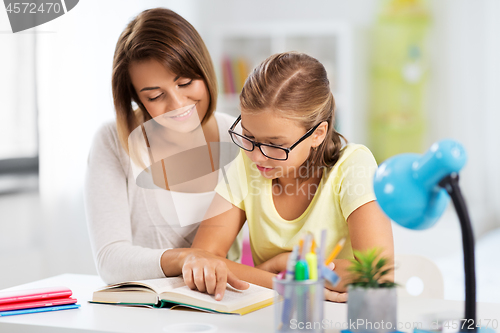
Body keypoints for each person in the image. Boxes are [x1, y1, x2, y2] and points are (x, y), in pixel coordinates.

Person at [176, 52, 395, 303]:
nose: (257, 157)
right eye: (249, 137)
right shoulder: (245, 163)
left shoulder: (353, 166)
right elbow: (203, 259)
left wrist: (270, 269)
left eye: (275, 145)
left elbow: (377, 275)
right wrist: (280, 274)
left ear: (317, 134)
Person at [84, 7, 243, 284]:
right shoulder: (112, 141)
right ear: (136, 98)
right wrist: (186, 259)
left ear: (204, 70)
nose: (178, 105)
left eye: (185, 82)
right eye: (156, 96)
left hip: (223, 306)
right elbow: (110, 260)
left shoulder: (240, 138)